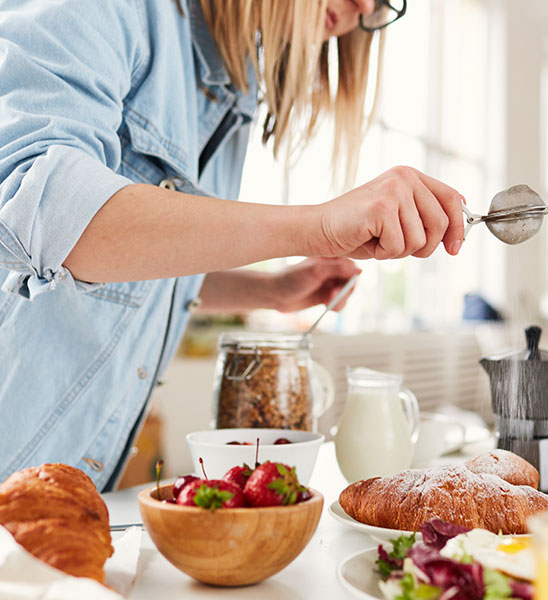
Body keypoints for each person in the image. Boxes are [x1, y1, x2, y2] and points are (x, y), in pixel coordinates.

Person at [0, 0, 464, 490]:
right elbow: (35, 205)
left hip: (63, 493)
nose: (365, 5)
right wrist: (317, 225)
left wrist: (273, 291)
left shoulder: (235, 92)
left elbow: (143, 258)